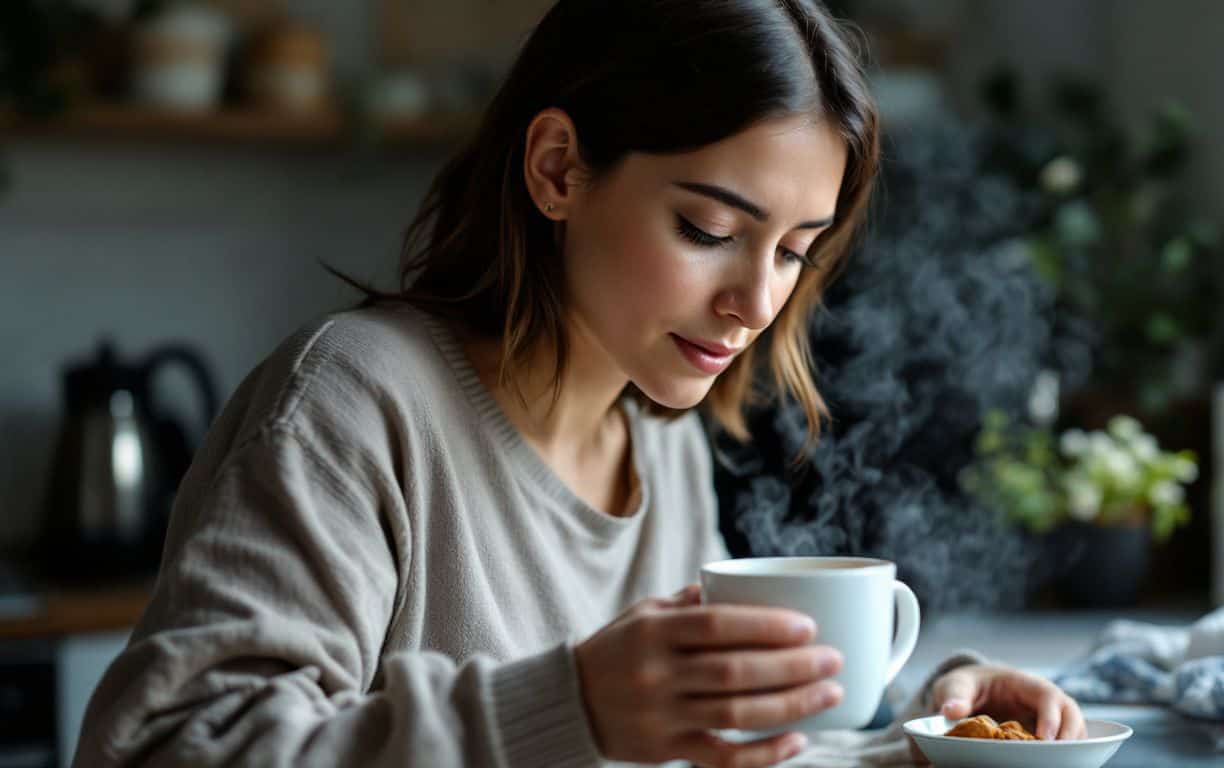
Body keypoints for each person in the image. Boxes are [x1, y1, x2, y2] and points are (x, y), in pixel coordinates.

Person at [73, 1, 1085, 766]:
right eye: (710, 232)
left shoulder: (662, 444)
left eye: (793, 252)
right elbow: (171, 745)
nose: (755, 302)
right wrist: (567, 707)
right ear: (558, 168)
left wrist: (935, 721)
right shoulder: (352, 403)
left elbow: (724, 740)